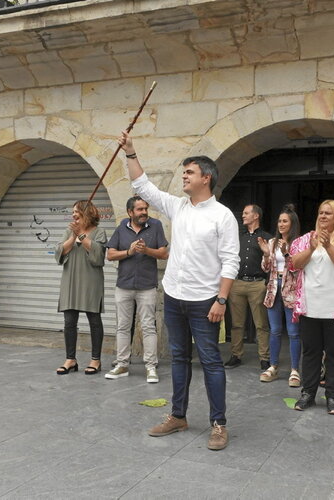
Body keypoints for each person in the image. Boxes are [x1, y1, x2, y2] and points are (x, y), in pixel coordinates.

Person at [118, 131, 240, 451]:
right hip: (174, 296)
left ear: (206, 178)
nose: (183, 176)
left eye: (190, 172)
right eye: (184, 172)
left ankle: (219, 423)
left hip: (205, 302)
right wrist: (131, 152)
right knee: (178, 358)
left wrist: (221, 300)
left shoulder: (222, 216)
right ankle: (178, 416)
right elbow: (142, 186)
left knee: (211, 361)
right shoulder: (178, 207)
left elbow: (231, 262)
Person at [289, 200, 334, 415]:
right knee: (311, 352)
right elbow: (294, 264)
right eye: (321, 213)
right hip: (309, 306)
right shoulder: (305, 240)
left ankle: (333, 396)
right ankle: (308, 394)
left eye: (328, 214)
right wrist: (312, 248)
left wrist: (329, 246)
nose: (323, 217)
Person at [104, 196, 169, 383]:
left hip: (146, 285)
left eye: (145, 209)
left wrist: (146, 250)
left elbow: (164, 253)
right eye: (140, 210)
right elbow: (110, 254)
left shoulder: (155, 225)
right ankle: (122, 364)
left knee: (149, 326)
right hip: (123, 285)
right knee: (123, 327)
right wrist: (129, 252)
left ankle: (150, 367)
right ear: (130, 212)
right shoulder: (122, 227)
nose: (144, 213)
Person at [54, 200, 108, 375]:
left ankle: (95, 360)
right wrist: (73, 236)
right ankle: (71, 359)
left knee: (94, 320)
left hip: (91, 281)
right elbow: (59, 251)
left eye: (77, 212)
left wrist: (82, 236)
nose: (73, 215)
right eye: (73, 212)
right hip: (70, 280)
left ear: (87, 213)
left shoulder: (99, 232)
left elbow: (99, 255)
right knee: (69, 322)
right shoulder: (69, 231)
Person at [223, 204, 272, 372]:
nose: (242, 216)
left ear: (256, 216)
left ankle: (264, 358)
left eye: (246, 213)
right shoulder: (238, 238)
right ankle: (236, 355)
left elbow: (272, 262)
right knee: (236, 324)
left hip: (257, 284)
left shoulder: (267, 238)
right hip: (237, 283)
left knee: (261, 324)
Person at [257, 205, 301, 386]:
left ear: (293, 224)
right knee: (274, 330)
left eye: (285, 221)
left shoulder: (300, 243)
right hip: (274, 288)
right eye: (279, 221)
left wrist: (286, 253)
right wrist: (267, 255)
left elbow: (300, 269)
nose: (281, 224)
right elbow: (265, 269)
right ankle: (273, 366)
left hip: (292, 290)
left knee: (293, 333)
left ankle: (295, 370)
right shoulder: (272, 242)